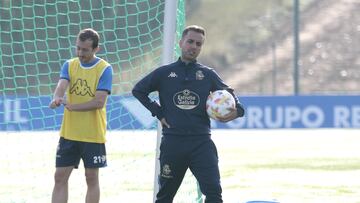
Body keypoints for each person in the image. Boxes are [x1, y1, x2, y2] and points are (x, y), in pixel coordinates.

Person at [132, 25, 245, 202]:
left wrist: (237, 111)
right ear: (181, 43)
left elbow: (229, 92)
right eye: (190, 41)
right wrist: (159, 112)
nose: (193, 46)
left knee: (214, 193)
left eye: (198, 44)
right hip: (173, 143)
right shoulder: (164, 73)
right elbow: (138, 90)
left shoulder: (207, 74)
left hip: (201, 143)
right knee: (165, 197)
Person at [49, 28, 113, 203]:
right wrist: (57, 97)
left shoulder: (104, 69)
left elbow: (99, 102)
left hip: (93, 135)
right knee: (60, 177)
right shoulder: (69, 64)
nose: (80, 53)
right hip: (69, 133)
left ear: (95, 49)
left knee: (91, 178)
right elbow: (62, 85)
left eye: (85, 50)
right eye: (78, 48)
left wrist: (71, 106)